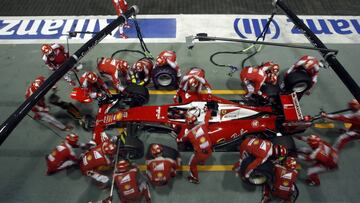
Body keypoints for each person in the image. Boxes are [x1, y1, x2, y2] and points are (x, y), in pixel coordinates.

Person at [177, 107, 212, 184]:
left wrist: (179, 140)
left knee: (191, 165)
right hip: (209, 151)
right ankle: (202, 162)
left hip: (200, 154)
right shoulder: (203, 125)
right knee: (202, 151)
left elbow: (181, 140)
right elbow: (207, 117)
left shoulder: (189, 134)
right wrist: (208, 110)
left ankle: (195, 178)